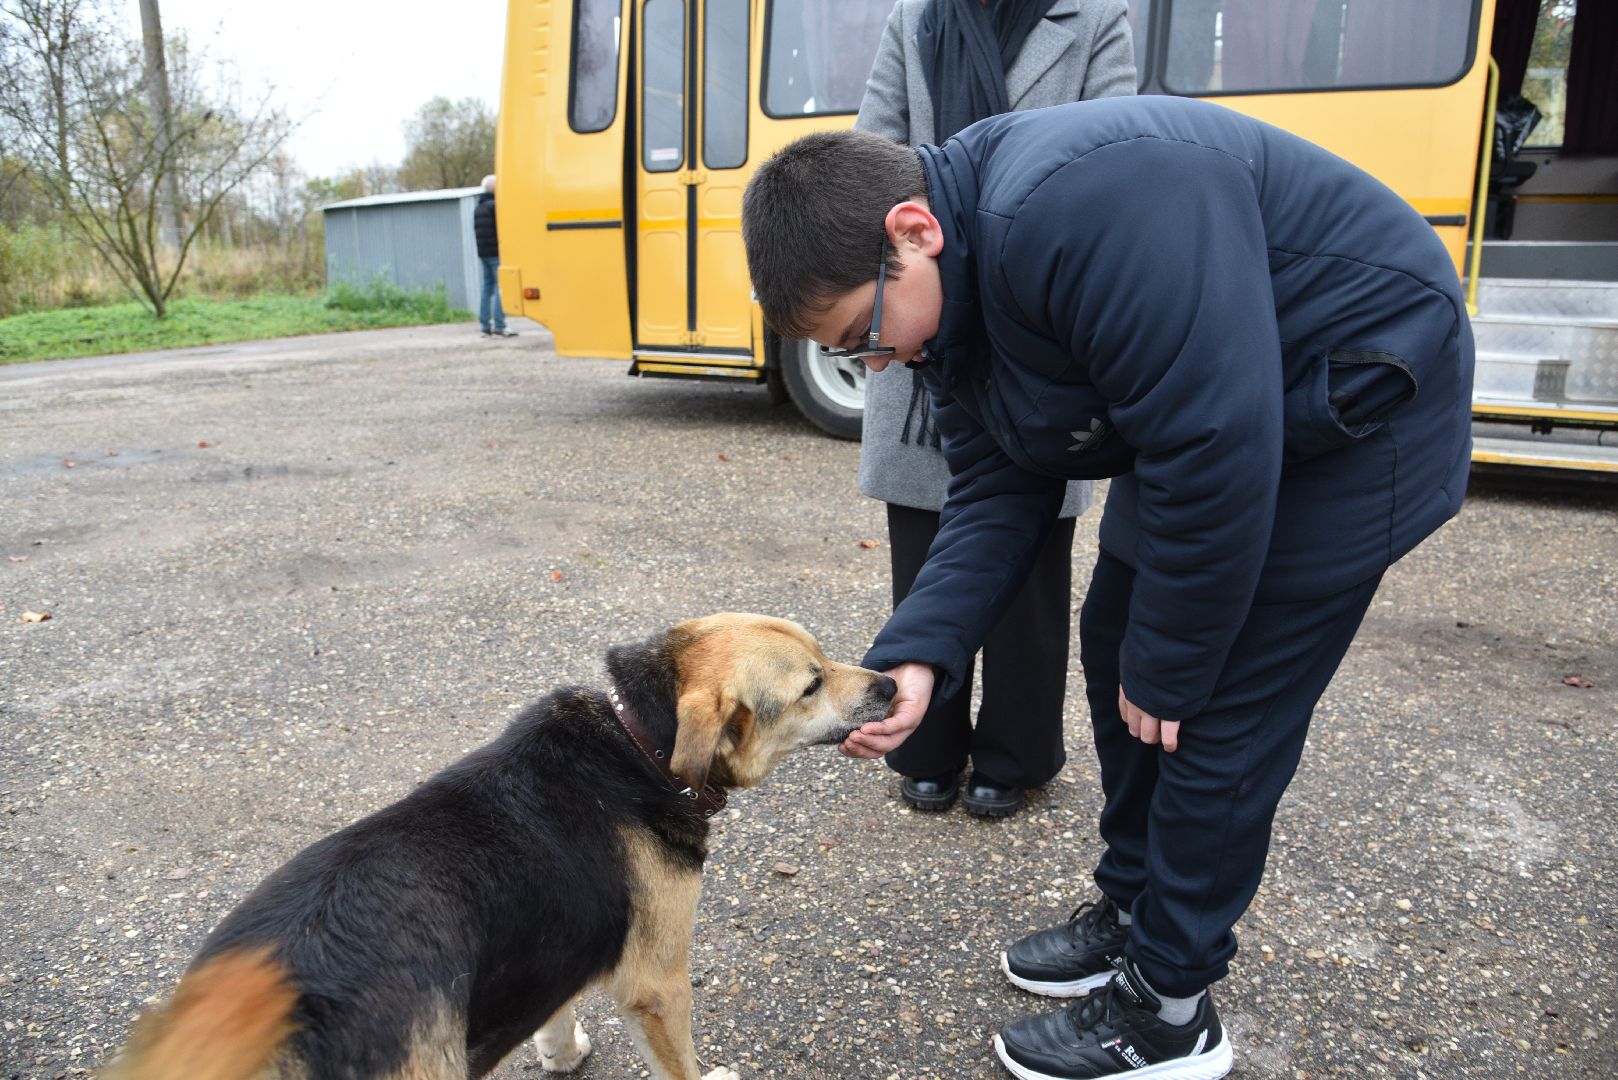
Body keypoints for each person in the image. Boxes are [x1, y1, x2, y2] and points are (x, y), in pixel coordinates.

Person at [741, 95, 1473, 1080]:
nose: (880, 361)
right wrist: (920, 650)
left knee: (1210, 710)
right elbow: (997, 491)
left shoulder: (1083, 204)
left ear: (911, 233)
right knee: (1116, 638)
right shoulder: (950, 306)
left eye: (864, 332)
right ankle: (1135, 907)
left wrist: (1175, 666)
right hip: (1219, 413)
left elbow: (1217, 441)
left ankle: (1171, 1012)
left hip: (1355, 392)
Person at [853, 0, 1135, 818]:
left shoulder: (1091, 17)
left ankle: (1016, 754)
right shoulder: (917, 18)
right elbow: (872, 151)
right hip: (926, 302)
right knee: (924, 548)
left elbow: (1107, 148)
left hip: (1040, 316)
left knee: (1033, 565)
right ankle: (927, 746)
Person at [473, 175, 517, 339]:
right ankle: (500, 325)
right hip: (496, 253)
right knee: (501, 287)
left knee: (487, 288)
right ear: (494, 189)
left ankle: (485, 326)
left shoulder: (479, 207)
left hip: (483, 253)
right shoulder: (495, 206)